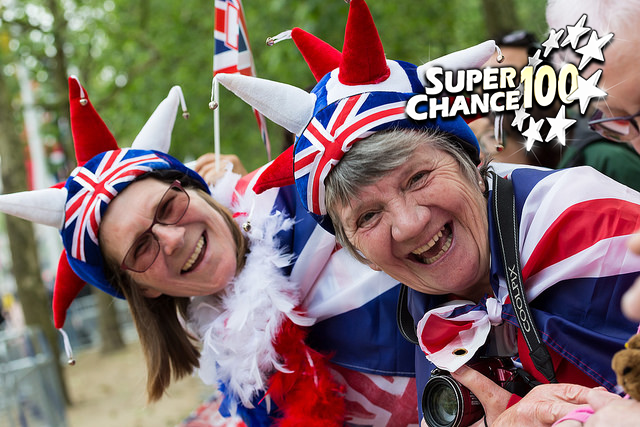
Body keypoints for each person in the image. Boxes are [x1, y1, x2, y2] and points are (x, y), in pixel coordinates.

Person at [214, 1, 640, 425]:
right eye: (367, 217)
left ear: (470, 162)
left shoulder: (596, 226)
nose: (410, 223)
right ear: (358, 253)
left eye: (417, 177)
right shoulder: (424, 314)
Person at [0, 76, 419, 427]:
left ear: (195, 190)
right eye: (141, 248)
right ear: (142, 288)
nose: (172, 238)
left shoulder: (319, 202)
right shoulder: (229, 357)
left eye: (167, 207)